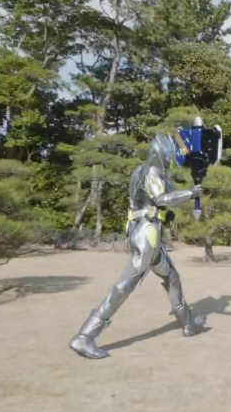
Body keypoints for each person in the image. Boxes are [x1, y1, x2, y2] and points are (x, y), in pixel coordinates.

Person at [69, 131, 206, 359]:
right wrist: (190, 193)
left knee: (172, 276)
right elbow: (162, 199)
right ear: (161, 154)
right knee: (124, 286)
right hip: (147, 235)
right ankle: (85, 336)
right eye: (168, 156)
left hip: (143, 232)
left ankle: (188, 324)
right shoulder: (152, 172)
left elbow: (152, 200)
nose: (170, 160)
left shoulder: (140, 171)